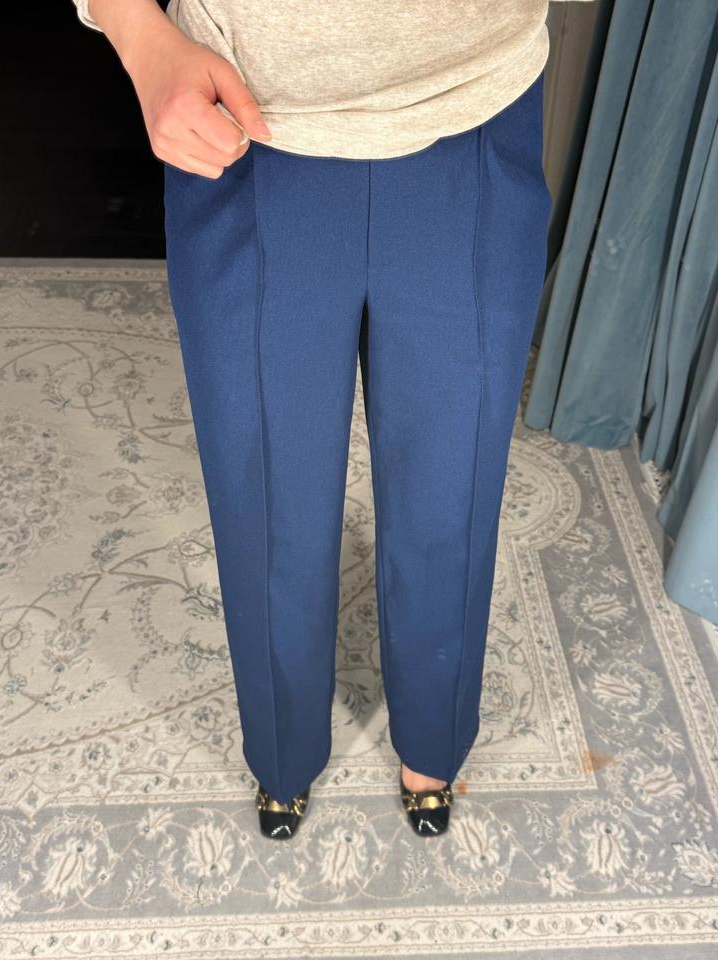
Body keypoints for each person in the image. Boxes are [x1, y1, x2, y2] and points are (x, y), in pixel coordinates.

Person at [72, 0, 593, 840]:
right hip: (245, 122)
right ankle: (282, 753)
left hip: (472, 106)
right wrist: (137, 33)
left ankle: (434, 739)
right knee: (265, 497)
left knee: (450, 488)